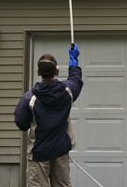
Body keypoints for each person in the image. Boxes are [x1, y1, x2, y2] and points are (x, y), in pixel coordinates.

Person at [15, 44, 83, 187]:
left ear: (39, 72)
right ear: (56, 71)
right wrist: (73, 60)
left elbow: (21, 123)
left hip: (39, 152)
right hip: (61, 151)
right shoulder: (67, 92)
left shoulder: (29, 98)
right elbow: (76, 79)